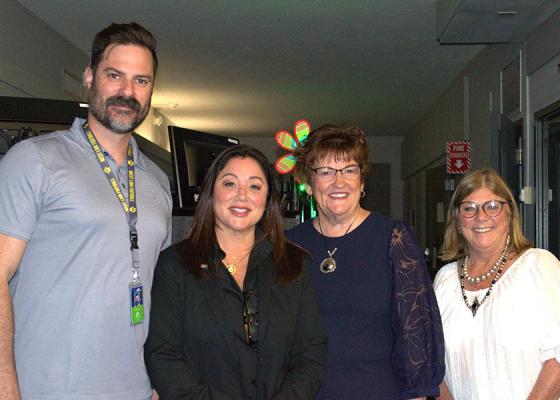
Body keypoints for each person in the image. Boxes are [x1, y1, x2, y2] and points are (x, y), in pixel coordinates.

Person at [0, 23, 172, 399]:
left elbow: (155, 290)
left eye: (141, 81)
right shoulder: (34, 160)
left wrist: (157, 381)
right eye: (115, 76)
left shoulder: (158, 183)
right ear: (90, 77)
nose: (128, 92)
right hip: (44, 388)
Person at [144, 144, 327, 399]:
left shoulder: (294, 264)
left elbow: (310, 353)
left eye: (254, 186)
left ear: (267, 200)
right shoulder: (174, 266)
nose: (242, 196)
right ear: (211, 193)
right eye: (229, 184)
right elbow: (163, 355)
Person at [286, 124, 444, 400]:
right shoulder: (288, 244)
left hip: (378, 391)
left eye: (349, 170)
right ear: (309, 184)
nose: (339, 182)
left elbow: (417, 333)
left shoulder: (394, 239)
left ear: (362, 182)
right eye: (325, 172)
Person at [433, 168, 560, 400]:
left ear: (509, 214)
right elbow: (431, 363)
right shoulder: (445, 281)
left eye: (492, 206)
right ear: (457, 220)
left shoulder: (539, 267)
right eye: (469, 208)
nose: (481, 216)